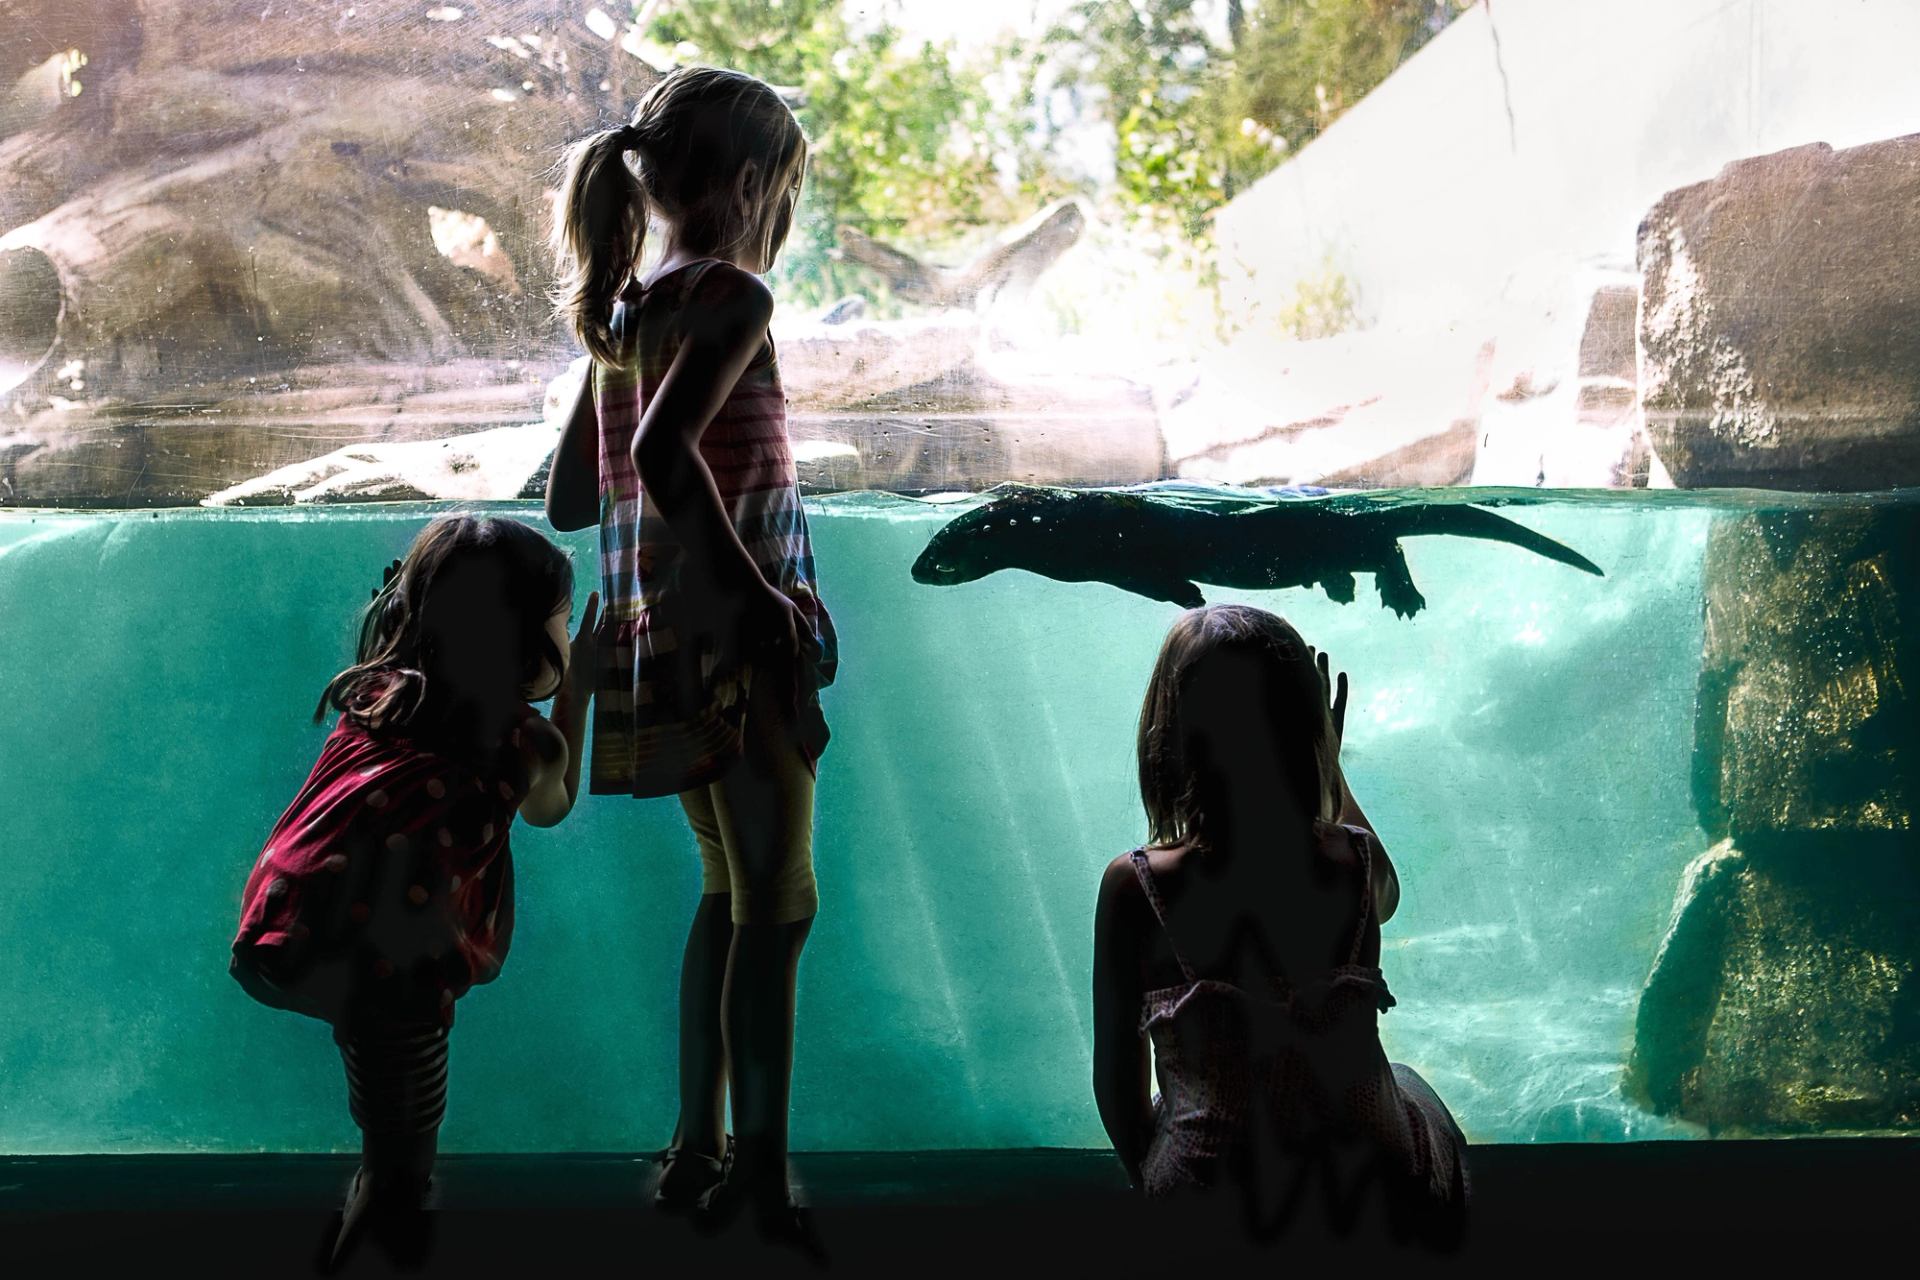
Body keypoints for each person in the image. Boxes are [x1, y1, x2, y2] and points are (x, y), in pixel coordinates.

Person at [543, 64, 837, 1255]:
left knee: (727, 893)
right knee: (781, 906)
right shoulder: (733, 296)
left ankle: (694, 1148)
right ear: (757, 184)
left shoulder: (622, 316)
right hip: (734, 643)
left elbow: (572, 494)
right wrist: (758, 594)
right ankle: (758, 1175)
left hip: (658, 646)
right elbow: (668, 454)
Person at [229, 513, 596, 1270]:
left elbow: (396, 644)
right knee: (401, 1160)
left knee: (383, 1111)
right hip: (393, 958)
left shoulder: (376, 690)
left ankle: (374, 1203)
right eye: (561, 620)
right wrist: (577, 696)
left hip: (292, 919)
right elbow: (551, 809)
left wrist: (403, 605)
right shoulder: (524, 741)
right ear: (533, 638)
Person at [1091, 605, 1468, 1251]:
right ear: (1307, 733)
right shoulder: (1355, 863)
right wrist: (1331, 772)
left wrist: (1158, 1185)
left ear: (1170, 737)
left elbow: (1117, 1085)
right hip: (1366, 1196)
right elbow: (1387, 899)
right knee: (1409, 1085)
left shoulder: (1135, 886)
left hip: (1211, 1203)